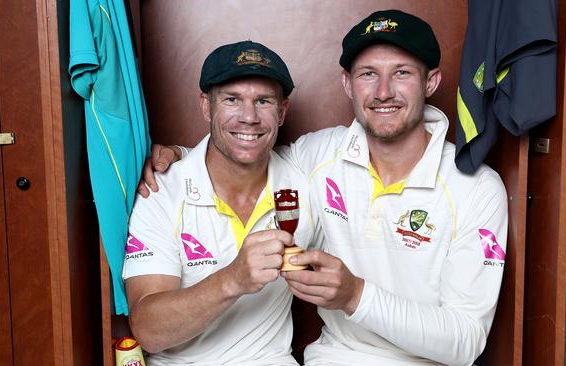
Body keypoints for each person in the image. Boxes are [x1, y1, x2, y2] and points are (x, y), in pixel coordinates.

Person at [140, 10, 508, 366]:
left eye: (401, 73)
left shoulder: (476, 188)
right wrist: (180, 157)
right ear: (348, 83)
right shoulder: (318, 158)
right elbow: (244, 151)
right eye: (368, 74)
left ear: (430, 82)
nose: (383, 91)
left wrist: (356, 296)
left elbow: (466, 342)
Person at [123, 40, 319, 366]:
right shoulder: (161, 189)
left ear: (282, 112)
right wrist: (232, 279)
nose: (249, 117)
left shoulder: (304, 181)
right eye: (231, 100)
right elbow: (147, 328)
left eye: (263, 101)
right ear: (206, 106)